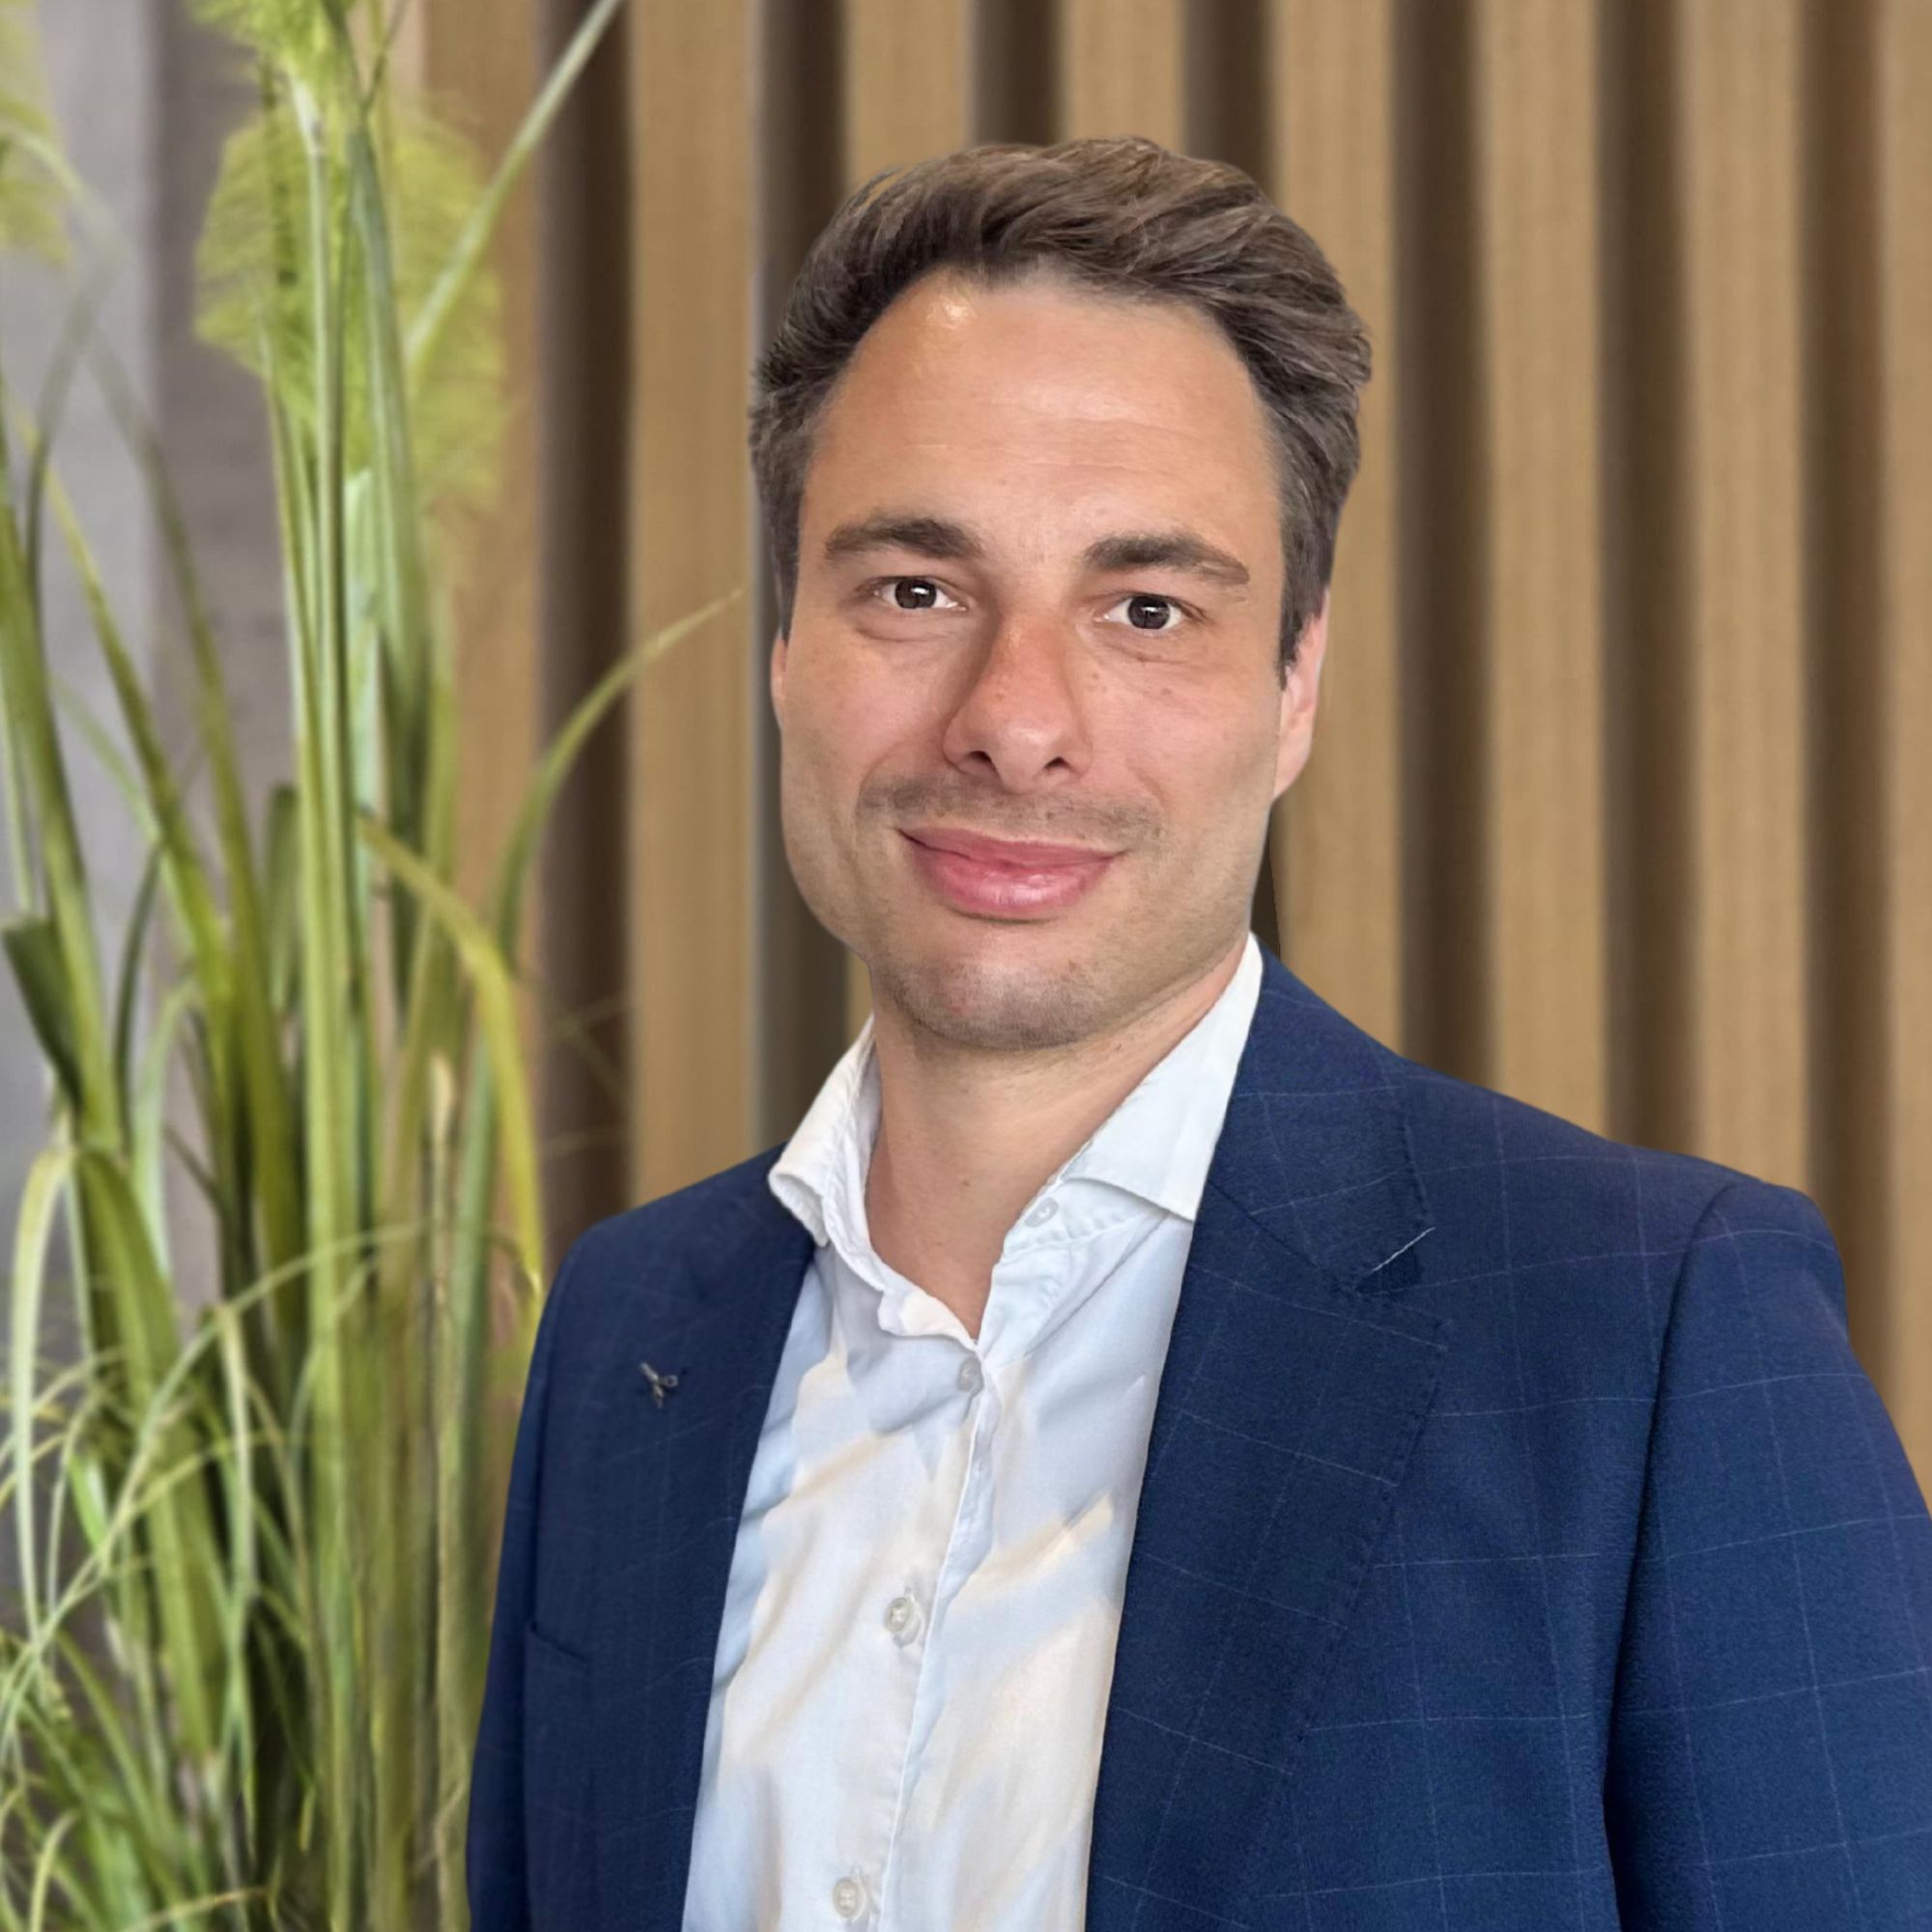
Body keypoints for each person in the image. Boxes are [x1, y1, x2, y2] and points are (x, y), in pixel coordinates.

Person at [467, 135, 1932, 1931]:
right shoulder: (631, 1336)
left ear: (1295, 682)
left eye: (1145, 610)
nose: (1016, 720)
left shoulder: (1650, 1337)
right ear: (787, 644)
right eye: (916, 589)